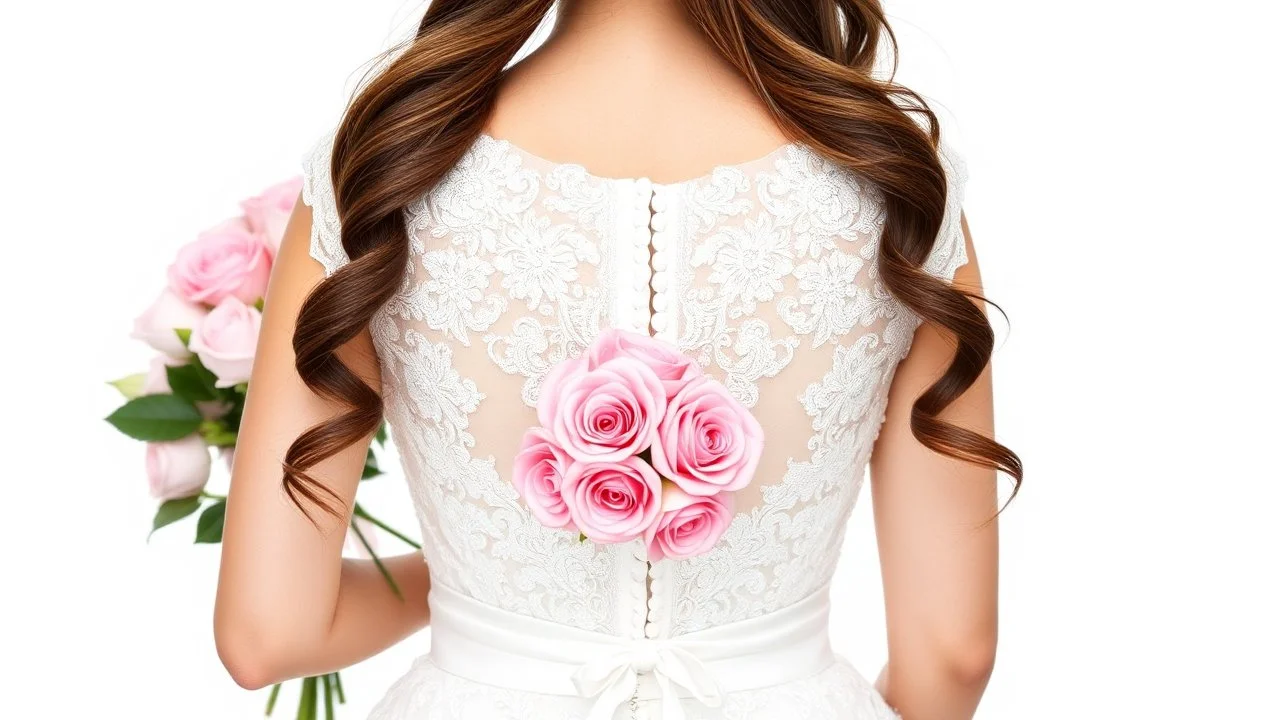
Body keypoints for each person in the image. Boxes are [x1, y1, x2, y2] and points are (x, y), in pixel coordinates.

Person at [213, 1, 1022, 718]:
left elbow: (267, 633)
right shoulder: (898, 183)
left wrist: (468, 585)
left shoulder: (379, 169)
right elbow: (955, 653)